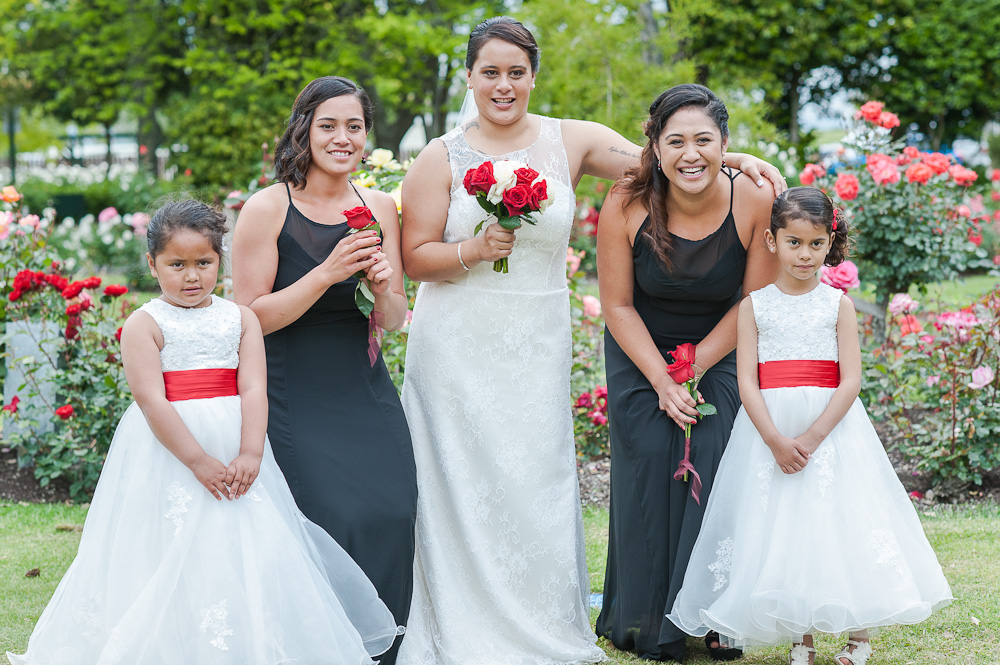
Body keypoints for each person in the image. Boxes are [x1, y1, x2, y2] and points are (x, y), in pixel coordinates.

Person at [397, 17, 785, 665]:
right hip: (456, 345)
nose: (503, 84)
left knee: (534, 478)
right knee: (458, 480)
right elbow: (414, 256)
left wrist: (739, 157)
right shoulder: (441, 155)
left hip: (536, 340)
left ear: (533, 76)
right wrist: (473, 248)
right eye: (489, 71)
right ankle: (463, 611)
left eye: (516, 72)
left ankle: (543, 616)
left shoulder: (567, 139)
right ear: (469, 76)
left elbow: (667, 155)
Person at [7, 199, 400, 665]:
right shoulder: (144, 324)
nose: (191, 276)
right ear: (152, 264)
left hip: (236, 443)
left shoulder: (241, 319)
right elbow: (151, 401)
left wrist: (251, 452)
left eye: (204, 263)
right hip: (170, 450)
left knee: (245, 541)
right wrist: (196, 460)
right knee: (168, 545)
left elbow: (254, 387)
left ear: (220, 261)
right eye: (177, 265)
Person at [666, 187, 953, 665]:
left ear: (829, 242)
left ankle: (858, 638)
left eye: (816, 243)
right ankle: (803, 639)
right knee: (788, 529)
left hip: (832, 429)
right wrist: (776, 440)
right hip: (769, 431)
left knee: (843, 523)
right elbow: (748, 383)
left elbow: (852, 378)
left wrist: (814, 437)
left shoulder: (836, 304)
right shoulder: (753, 306)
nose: (805, 254)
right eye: (794, 242)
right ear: (772, 240)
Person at [231, 76, 416, 665]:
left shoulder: (380, 207)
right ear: (304, 130)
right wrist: (327, 274)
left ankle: (383, 647)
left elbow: (394, 318)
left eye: (354, 126)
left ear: (367, 135)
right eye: (328, 125)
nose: (342, 138)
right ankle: (323, 647)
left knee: (393, 508)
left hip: (363, 385)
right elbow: (248, 321)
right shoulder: (268, 207)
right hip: (292, 390)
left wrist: (382, 284)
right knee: (333, 516)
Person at [595, 83, 780, 661]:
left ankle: (718, 616)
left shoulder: (752, 199)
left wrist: (693, 369)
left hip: (725, 346)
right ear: (654, 146)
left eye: (704, 139)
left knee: (715, 444)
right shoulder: (625, 202)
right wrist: (663, 379)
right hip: (640, 350)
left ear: (726, 143)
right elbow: (617, 305)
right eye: (675, 141)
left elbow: (754, 302)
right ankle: (645, 619)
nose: (690, 154)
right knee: (651, 449)